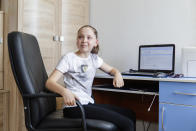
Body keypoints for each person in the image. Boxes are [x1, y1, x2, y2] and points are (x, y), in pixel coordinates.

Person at [46, 25, 136, 131]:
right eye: (80, 37)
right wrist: (65, 92)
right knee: (127, 123)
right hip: (75, 107)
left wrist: (117, 73)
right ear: (76, 40)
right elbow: (49, 83)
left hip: (88, 104)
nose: (84, 40)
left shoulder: (94, 59)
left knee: (130, 114)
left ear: (95, 42)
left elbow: (112, 70)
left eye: (89, 37)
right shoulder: (69, 58)